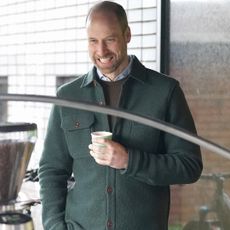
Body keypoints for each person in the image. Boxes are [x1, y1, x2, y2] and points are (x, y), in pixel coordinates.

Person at [38, 1, 203, 230]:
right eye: (93, 41)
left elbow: (189, 166)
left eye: (110, 39)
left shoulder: (165, 92)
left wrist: (129, 160)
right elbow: (52, 170)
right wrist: (54, 226)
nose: (101, 51)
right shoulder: (67, 97)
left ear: (127, 35)